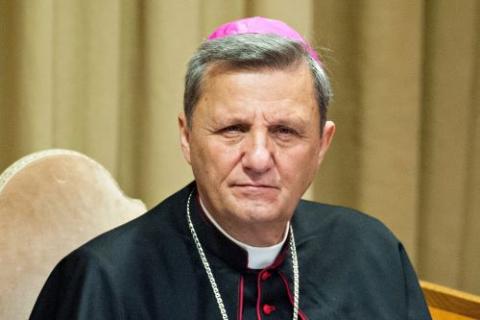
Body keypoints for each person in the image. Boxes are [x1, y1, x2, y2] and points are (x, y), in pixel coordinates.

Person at [30, 17, 431, 319]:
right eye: (233, 129)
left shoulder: (373, 253)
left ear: (322, 145)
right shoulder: (103, 281)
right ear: (187, 137)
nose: (258, 158)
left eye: (285, 131)